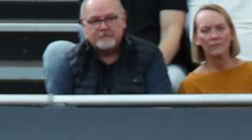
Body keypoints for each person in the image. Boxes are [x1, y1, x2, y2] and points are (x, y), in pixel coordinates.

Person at [44, 0, 184, 94]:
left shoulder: (150, 56)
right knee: (56, 51)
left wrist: (148, 64)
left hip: (149, 59)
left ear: (124, 19)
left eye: (111, 18)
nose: (103, 26)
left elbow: (171, 31)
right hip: (96, 59)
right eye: (95, 21)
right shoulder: (75, 58)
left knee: (173, 77)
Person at [179, 4, 252, 92]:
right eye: (205, 31)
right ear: (196, 39)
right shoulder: (189, 85)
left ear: (232, 33)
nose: (214, 36)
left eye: (220, 28)